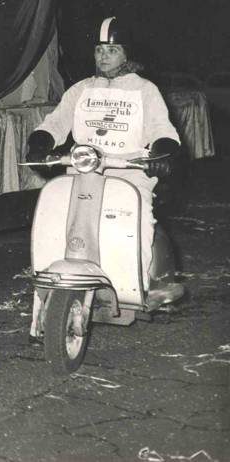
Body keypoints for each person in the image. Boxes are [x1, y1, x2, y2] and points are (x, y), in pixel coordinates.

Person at [25, 16, 180, 291]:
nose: (103, 56)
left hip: (129, 173)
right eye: (99, 49)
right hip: (81, 173)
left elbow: (161, 129)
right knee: (52, 222)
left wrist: (162, 154)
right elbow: (56, 122)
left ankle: (138, 288)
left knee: (138, 225)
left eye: (112, 50)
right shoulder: (82, 89)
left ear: (127, 53)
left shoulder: (145, 90)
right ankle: (48, 284)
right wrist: (40, 142)